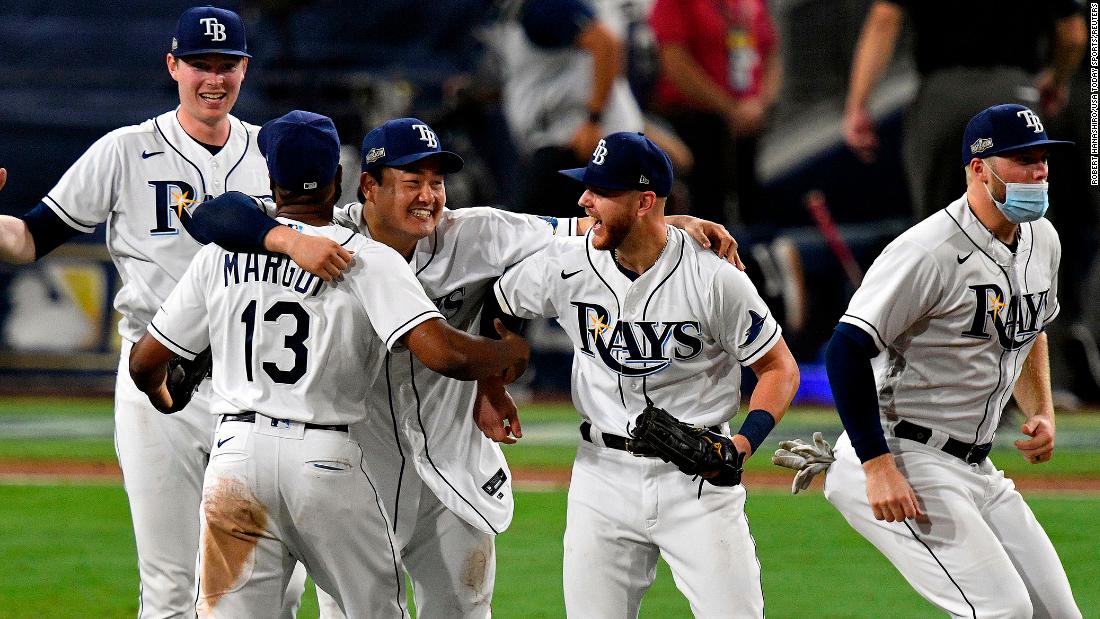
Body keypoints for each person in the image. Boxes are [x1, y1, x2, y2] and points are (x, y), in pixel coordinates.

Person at [185, 116, 740, 618]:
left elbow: (587, 233)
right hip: (355, 479)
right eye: (412, 182)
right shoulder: (328, 235)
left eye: (437, 181)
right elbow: (212, 214)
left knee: (462, 609)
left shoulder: (477, 232)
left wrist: (675, 220)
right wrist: (280, 236)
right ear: (368, 188)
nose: (430, 197)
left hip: (452, 474)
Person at [0, 8, 348, 615]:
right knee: (169, 586)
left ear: (245, 68)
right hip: (154, 376)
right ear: (173, 66)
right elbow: (29, 239)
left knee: (273, 588)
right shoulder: (125, 150)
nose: (213, 79)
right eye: (199, 65)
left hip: (256, 387)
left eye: (226, 66)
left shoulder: (274, 150)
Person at [127, 110, 530, 617]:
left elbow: (145, 362)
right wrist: (507, 355)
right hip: (325, 457)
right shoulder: (364, 256)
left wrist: (166, 396)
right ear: (343, 181)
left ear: (269, 178)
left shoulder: (224, 250)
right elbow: (444, 352)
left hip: (234, 457)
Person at [491, 132, 800, 616]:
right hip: (601, 476)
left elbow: (779, 367)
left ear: (644, 202)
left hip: (696, 482)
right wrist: (491, 383)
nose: (584, 201)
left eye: (601, 192)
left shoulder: (714, 276)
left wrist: (742, 446)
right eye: (587, 187)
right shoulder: (566, 265)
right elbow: (500, 305)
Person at [822, 104, 1081, 616]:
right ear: (979, 169)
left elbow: (1030, 332)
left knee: (1058, 613)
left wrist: (1041, 409)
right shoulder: (929, 250)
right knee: (1004, 611)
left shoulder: (1041, 240)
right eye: (1023, 159)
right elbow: (845, 350)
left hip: (976, 465)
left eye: (1043, 159)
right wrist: (877, 466)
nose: (1040, 171)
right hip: (905, 453)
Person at [843, 0, 1085, 220]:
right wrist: (1057, 80)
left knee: (941, 234)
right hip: (1013, 95)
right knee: (1026, 233)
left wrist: (858, 104)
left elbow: (883, 20)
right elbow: (1074, 36)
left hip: (941, 102)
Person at [488, 0, 692, 217]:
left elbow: (606, 44)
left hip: (578, 142)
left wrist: (594, 119)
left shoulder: (543, 7)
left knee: (539, 232)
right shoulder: (515, 13)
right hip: (570, 138)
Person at [649, 0, 782, 226]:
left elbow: (771, 52)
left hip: (748, 125)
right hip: (696, 126)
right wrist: (729, 108)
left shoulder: (751, 4)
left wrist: (759, 103)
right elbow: (675, 64)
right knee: (707, 210)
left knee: (753, 208)